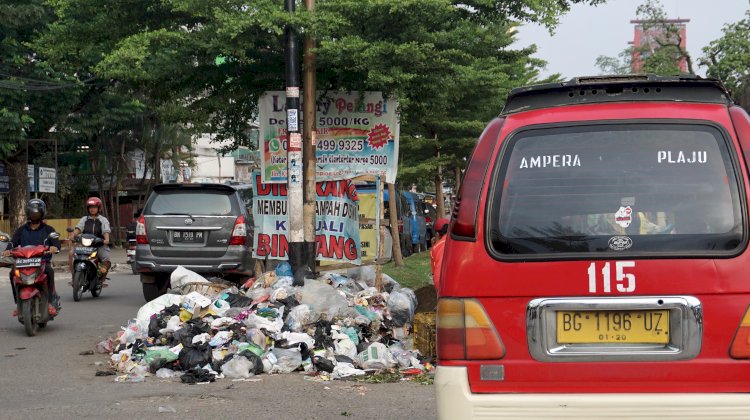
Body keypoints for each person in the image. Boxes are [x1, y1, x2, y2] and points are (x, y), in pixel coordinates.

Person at [3, 199, 61, 316]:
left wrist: (54, 247)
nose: (34, 215)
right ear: (28, 213)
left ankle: (49, 302)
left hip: (42, 262)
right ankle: (19, 305)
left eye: (37, 213)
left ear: (42, 213)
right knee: (12, 274)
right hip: (23, 262)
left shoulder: (48, 230)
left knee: (49, 272)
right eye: (32, 212)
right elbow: (13, 243)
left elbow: (56, 243)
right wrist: (7, 250)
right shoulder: (22, 229)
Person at [71, 197, 112, 279]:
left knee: (105, 258)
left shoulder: (103, 220)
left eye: (94, 207)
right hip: (85, 245)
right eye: (90, 207)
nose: (92, 209)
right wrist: (73, 235)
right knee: (72, 254)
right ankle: (74, 276)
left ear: (99, 208)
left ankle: (101, 276)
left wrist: (106, 240)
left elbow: (105, 231)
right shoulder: (84, 219)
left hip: (99, 244)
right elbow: (78, 228)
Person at [430, 218, 450, 293]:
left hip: (443, 286)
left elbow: (436, 271)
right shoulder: (458, 242)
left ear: (437, 234)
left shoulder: (436, 248)